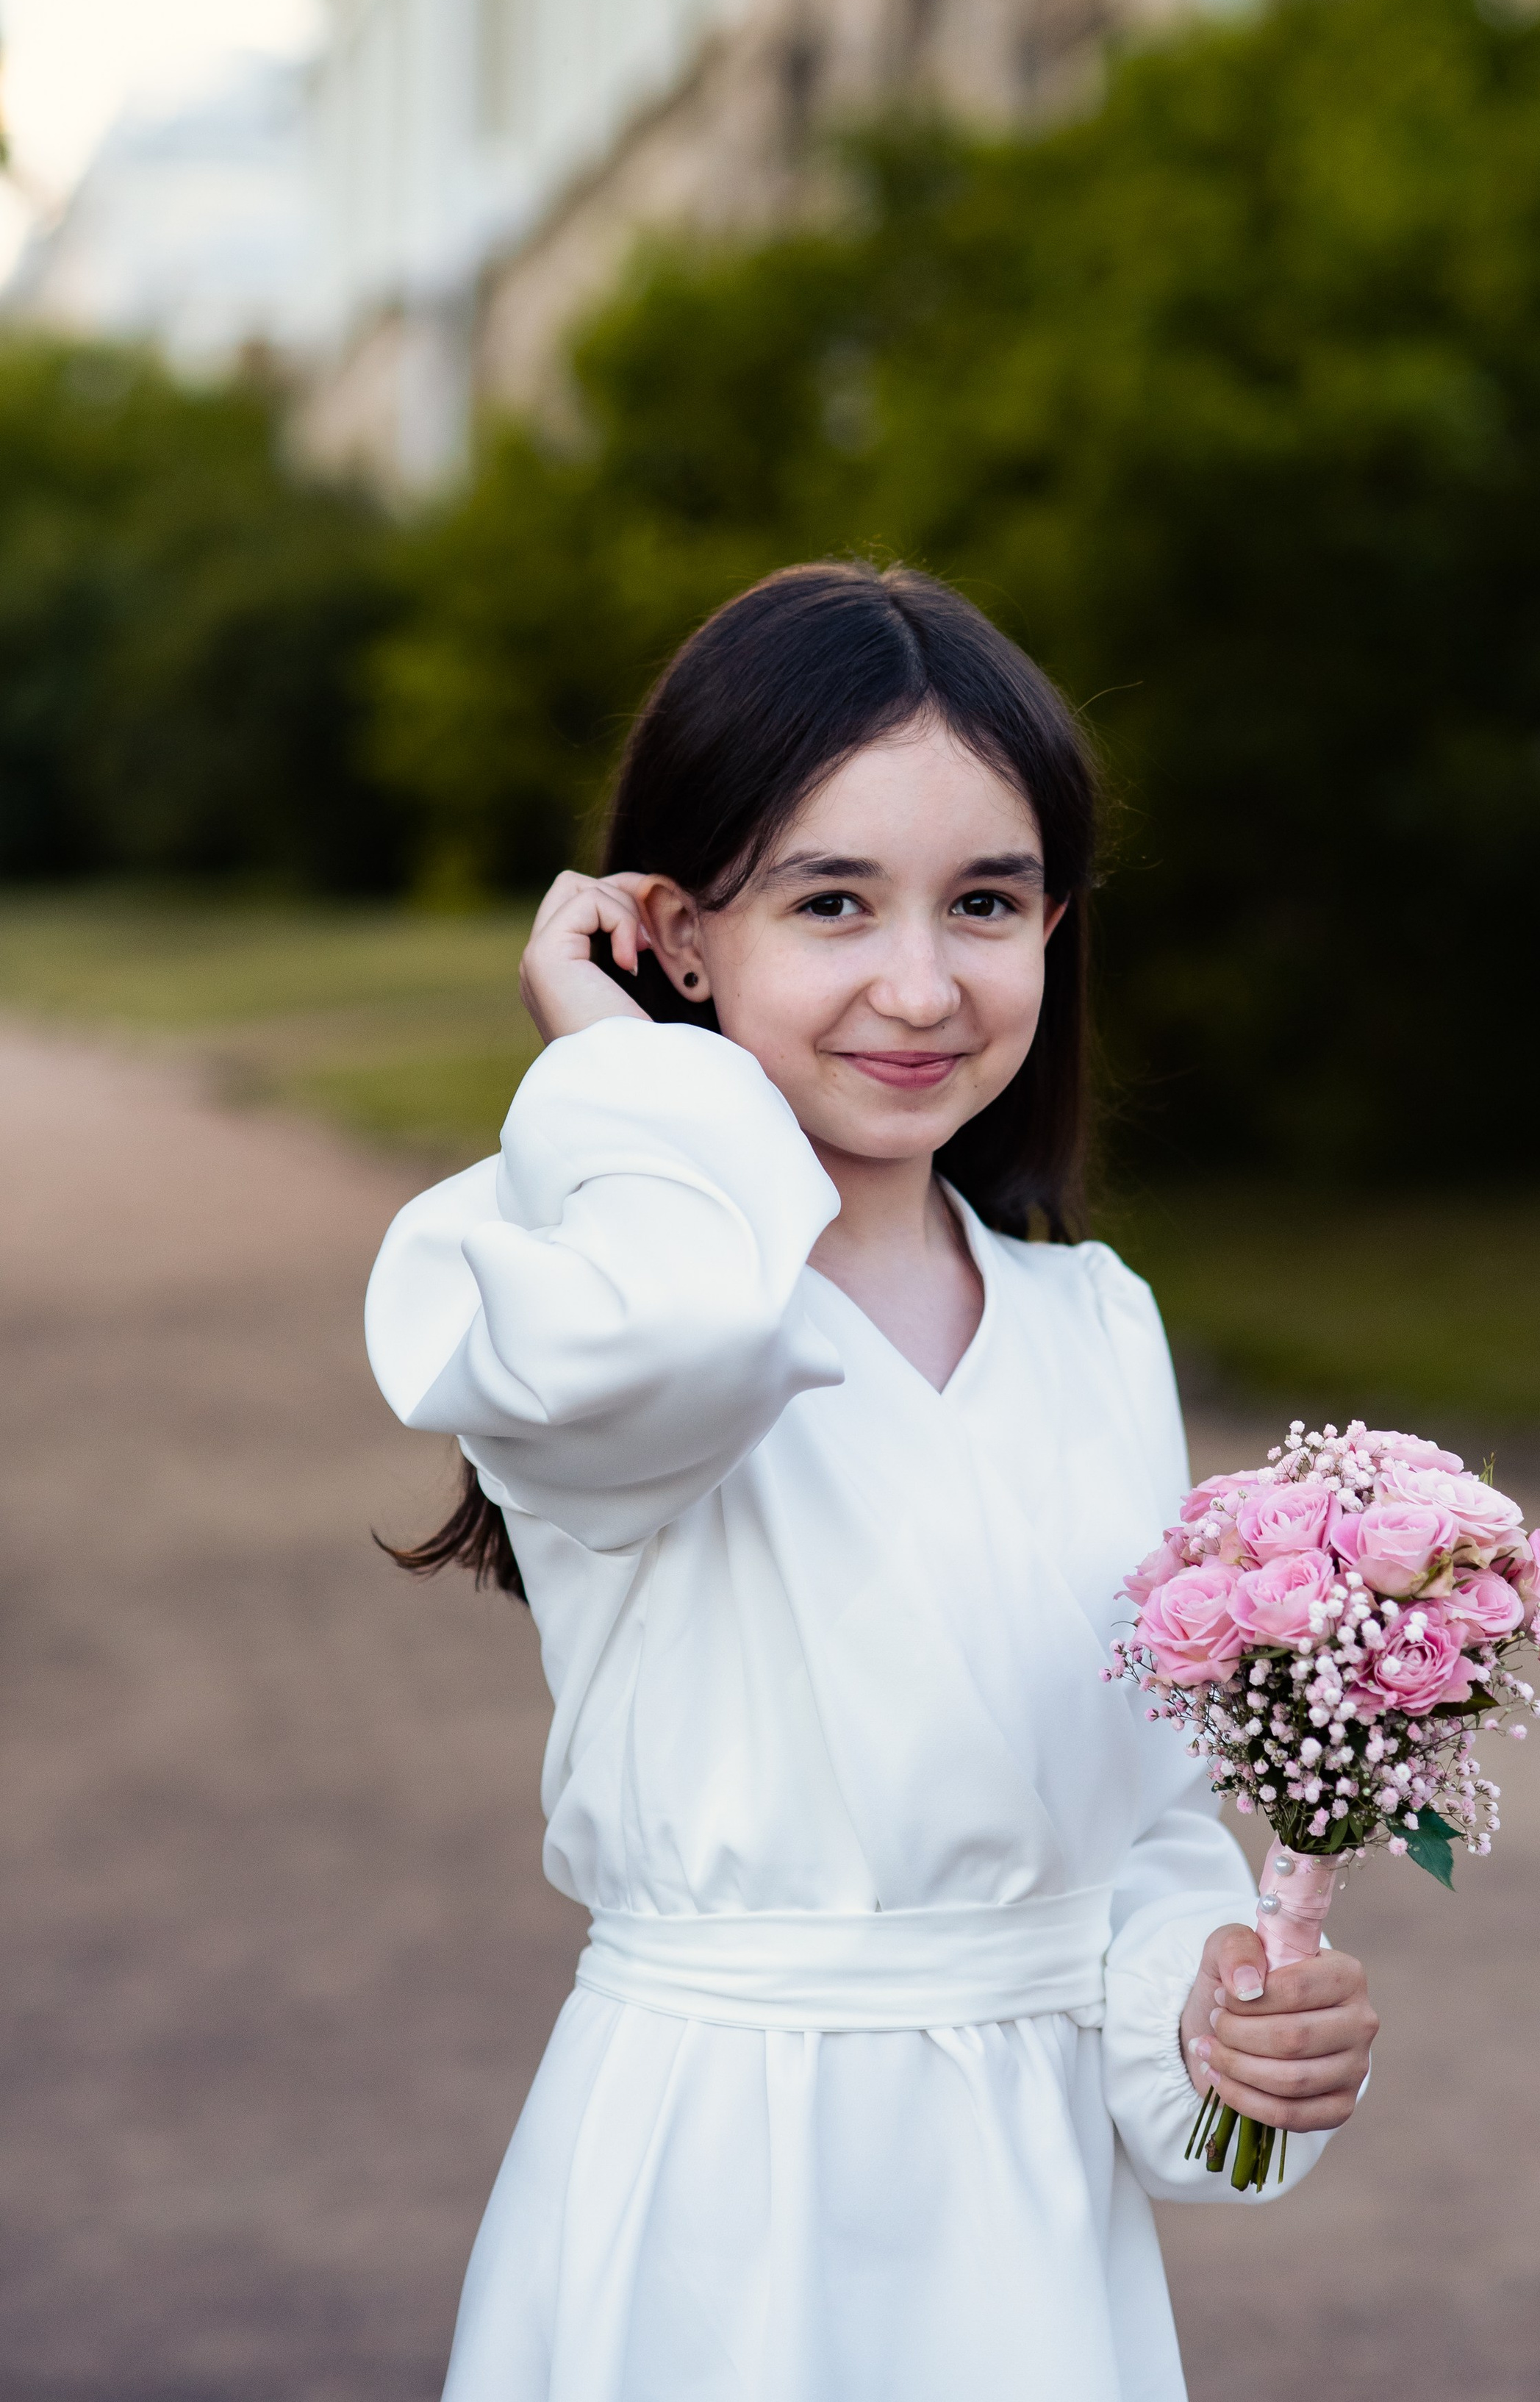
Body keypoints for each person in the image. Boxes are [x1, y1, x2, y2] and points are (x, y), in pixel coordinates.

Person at [366, 562, 1378, 2402]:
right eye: (831, 901)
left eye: (984, 902)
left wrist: (1215, 2021)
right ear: (673, 930)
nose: (919, 983)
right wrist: (613, 1063)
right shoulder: (575, 1280)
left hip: (1030, 2234)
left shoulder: (1094, 1326)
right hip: (714, 2199)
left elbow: (1136, 1825)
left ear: (1055, 923)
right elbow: (692, 1337)